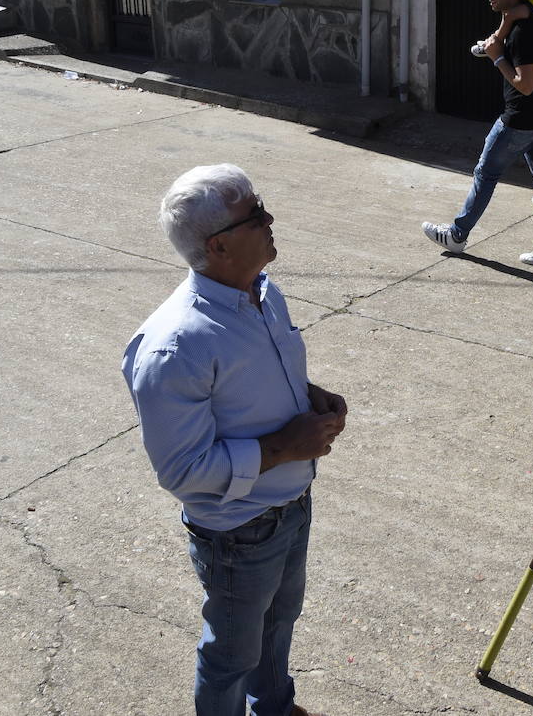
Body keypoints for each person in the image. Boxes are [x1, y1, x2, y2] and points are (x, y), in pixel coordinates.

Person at [122, 164, 346, 716]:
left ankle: (272, 706)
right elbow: (183, 471)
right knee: (232, 653)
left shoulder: (262, 294)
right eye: (256, 216)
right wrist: (285, 447)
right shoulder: (176, 347)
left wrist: (308, 395)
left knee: (279, 625)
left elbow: (256, 375)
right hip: (239, 529)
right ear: (219, 246)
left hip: (290, 505)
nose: (270, 220)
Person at [423, 0, 533, 270]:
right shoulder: (526, 19)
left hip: (519, 121)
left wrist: (497, 57)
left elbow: (525, 85)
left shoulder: (522, 33)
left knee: (485, 175)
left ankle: (457, 235)